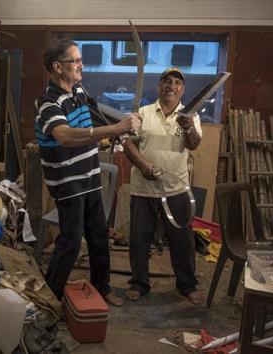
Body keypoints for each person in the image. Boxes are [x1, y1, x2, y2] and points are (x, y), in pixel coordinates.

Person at [34, 40, 141, 306]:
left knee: (98, 235)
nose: (82, 65)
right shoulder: (47, 101)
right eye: (76, 60)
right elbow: (65, 136)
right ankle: (51, 298)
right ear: (58, 67)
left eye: (81, 59)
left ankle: (101, 288)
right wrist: (114, 130)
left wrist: (120, 125)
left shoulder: (78, 90)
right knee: (70, 242)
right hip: (67, 183)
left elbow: (95, 115)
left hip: (90, 175)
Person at [123, 67, 204, 305]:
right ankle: (139, 284)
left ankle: (187, 285)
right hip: (143, 188)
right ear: (159, 86)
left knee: (183, 241)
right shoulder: (143, 113)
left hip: (176, 188)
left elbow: (195, 144)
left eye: (177, 82)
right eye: (167, 81)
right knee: (139, 239)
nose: (171, 85)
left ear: (182, 90)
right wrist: (144, 166)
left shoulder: (190, 116)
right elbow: (129, 145)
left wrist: (188, 126)